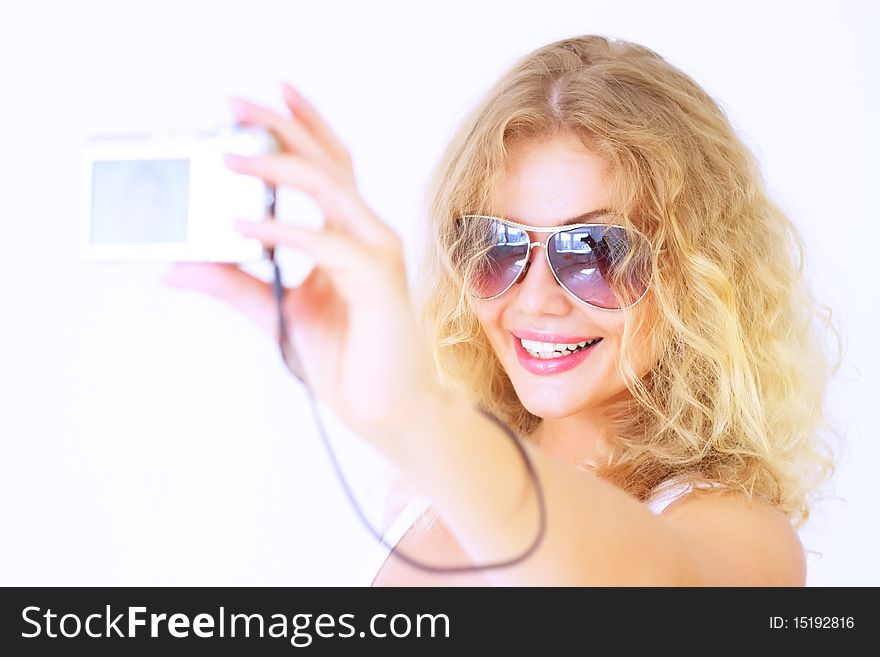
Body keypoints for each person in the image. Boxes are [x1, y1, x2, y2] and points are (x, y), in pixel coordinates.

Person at [163, 35, 837, 586]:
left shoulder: (741, 540)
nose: (536, 298)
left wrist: (414, 411)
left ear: (693, 274)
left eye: (596, 250)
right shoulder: (421, 500)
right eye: (496, 245)